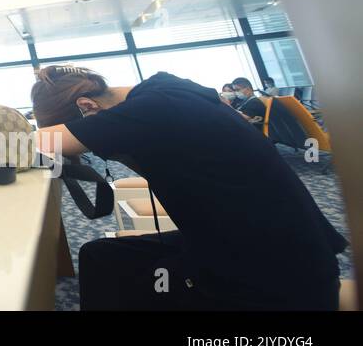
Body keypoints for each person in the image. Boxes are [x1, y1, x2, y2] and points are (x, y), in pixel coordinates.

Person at [32, 65, 345, 310]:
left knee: (122, 280)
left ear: (87, 105)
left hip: (272, 279)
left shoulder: (148, 111)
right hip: (276, 247)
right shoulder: (167, 93)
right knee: (99, 256)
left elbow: (24, 144)